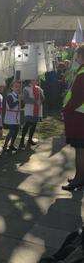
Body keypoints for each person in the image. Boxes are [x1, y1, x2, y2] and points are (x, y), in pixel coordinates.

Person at [62, 45, 84, 191]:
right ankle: (80, 178)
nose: (75, 57)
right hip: (79, 115)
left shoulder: (82, 73)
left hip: (78, 116)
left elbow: (78, 97)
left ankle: (78, 180)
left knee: (80, 150)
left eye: (77, 55)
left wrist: (66, 110)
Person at [19, 80, 45, 149]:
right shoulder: (26, 89)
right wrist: (35, 101)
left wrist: (41, 99)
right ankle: (22, 140)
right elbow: (25, 99)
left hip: (37, 109)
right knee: (27, 125)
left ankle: (30, 139)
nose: (36, 81)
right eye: (34, 80)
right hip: (29, 110)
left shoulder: (39, 89)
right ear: (30, 81)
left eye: (36, 80)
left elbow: (43, 98)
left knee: (34, 125)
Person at [3, 80, 22, 153]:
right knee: (12, 131)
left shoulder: (18, 95)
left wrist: (21, 101)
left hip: (17, 116)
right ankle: (5, 145)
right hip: (11, 116)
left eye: (19, 87)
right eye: (16, 87)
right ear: (12, 88)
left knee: (16, 131)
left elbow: (21, 106)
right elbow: (10, 106)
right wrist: (18, 100)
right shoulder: (10, 96)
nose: (18, 88)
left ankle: (11, 145)